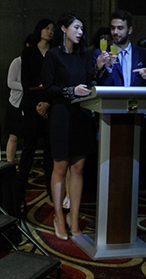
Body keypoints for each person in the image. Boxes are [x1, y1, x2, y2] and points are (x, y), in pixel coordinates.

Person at [42, 13, 105, 240]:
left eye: (82, 29)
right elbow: (48, 88)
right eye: (76, 27)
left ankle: (74, 218)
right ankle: (59, 217)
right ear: (64, 28)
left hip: (82, 115)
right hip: (61, 115)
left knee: (78, 168)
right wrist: (70, 91)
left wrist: (98, 67)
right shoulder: (53, 54)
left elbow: (90, 83)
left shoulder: (83, 54)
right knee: (60, 168)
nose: (80, 32)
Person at [17, 19, 54, 199]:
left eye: (52, 29)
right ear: (39, 30)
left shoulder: (55, 52)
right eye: (46, 28)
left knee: (50, 149)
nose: (49, 31)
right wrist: (38, 105)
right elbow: (26, 81)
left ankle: (51, 188)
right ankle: (20, 187)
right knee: (28, 148)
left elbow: (57, 81)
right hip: (32, 105)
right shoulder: (29, 52)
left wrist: (46, 103)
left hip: (50, 105)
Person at [94, 9, 146, 87]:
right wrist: (102, 68)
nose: (115, 32)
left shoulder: (142, 54)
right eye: (112, 28)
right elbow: (95, 83)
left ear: (129, 30)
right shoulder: (101, 53)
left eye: (120, 28)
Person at [4, 36, 30, 163]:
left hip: (32, 103)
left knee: (30, 138)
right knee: (14, 136)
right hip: (16, 104)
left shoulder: (40, 62)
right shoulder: (17, 62)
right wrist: (28, 87)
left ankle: (24, 165)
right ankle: (9, 163)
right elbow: (10, 82)